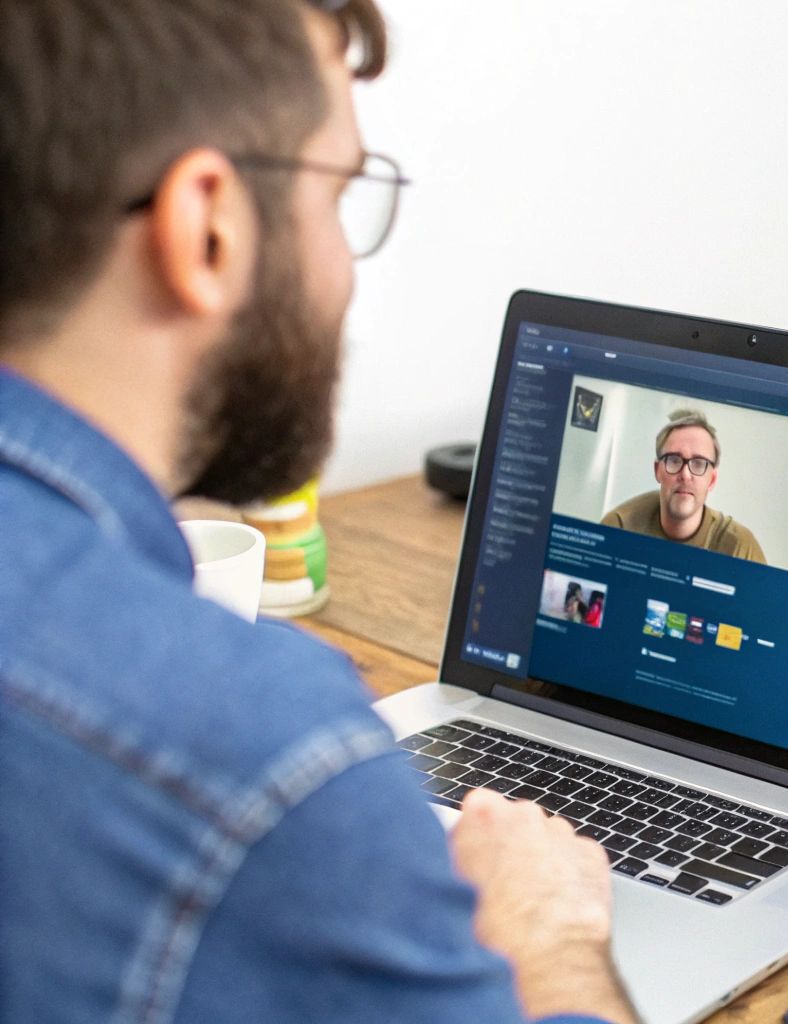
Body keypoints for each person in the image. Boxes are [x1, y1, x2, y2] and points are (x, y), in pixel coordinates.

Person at [0, 2, 637, 1022]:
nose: (343, 268)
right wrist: (551, 933)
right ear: (205, 223)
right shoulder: (264, 758)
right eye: (338, 192)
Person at [600, 409, 766, 564]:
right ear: (658, 471)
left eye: (699, 463)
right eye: (674, 460)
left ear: (712, 479)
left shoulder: (740, 548)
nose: (686, 475)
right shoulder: (619, 527)